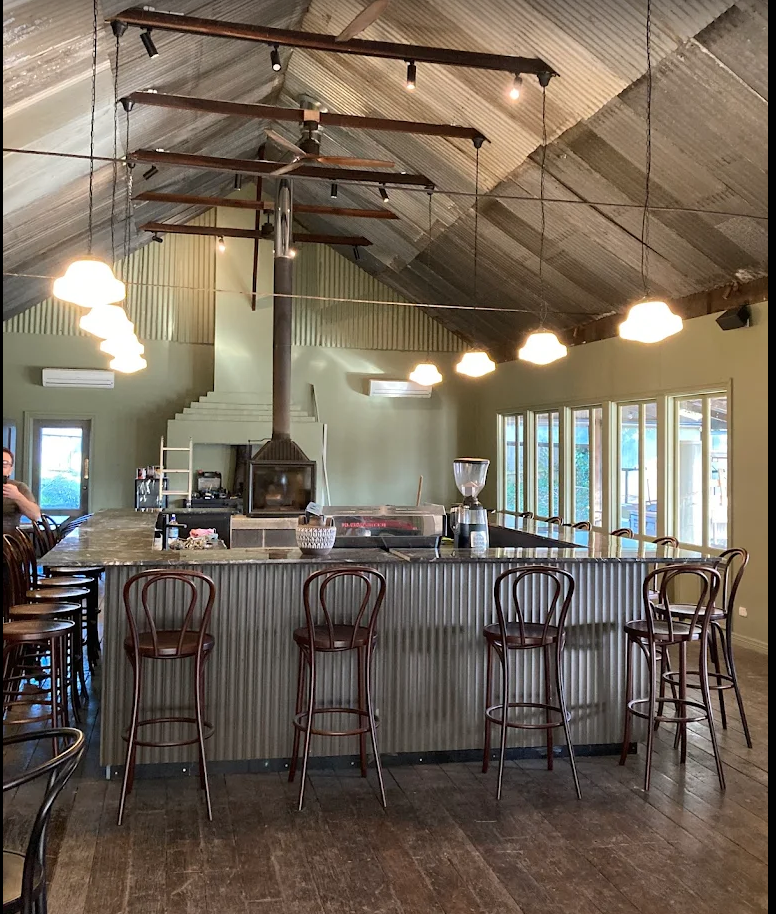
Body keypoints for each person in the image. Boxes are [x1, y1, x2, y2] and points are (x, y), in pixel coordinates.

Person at [3, 446, 42, 533]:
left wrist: (18, 497)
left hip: (8, 543)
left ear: (10, 470)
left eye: (4, 464)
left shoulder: (19, 487)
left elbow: (36, 515)